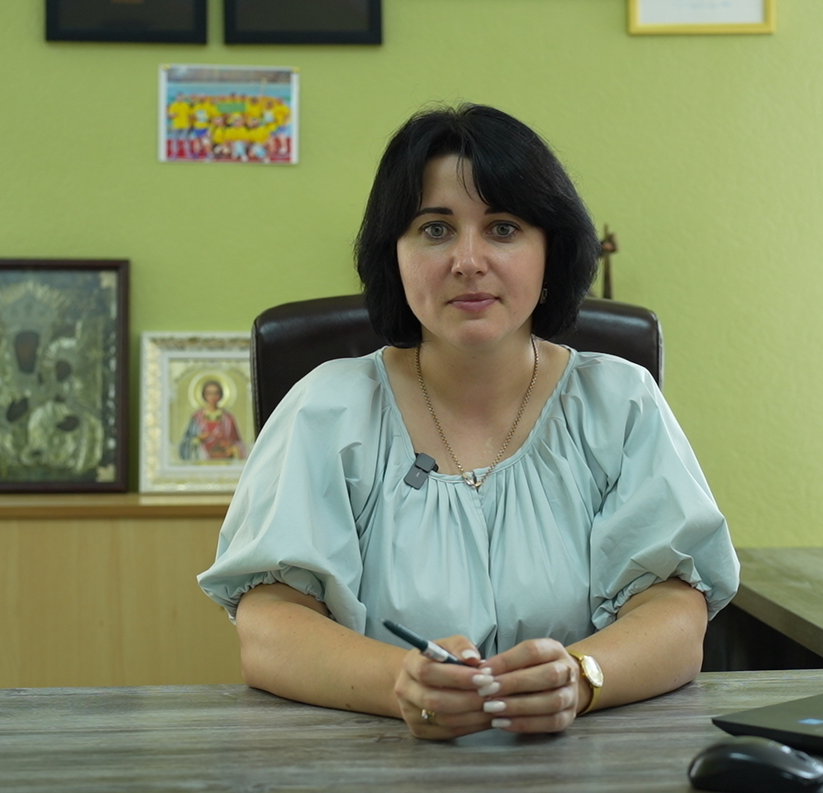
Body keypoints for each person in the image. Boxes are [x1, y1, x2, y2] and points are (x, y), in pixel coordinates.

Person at [198, 103, 739, 739]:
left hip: (584, 757)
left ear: (550, 250)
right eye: (435, 229)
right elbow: (270, 627)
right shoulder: (326, 410)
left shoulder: (620, 403)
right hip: (374, 758)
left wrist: (580, 678)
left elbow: (675, 611)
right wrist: (402, 684)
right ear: (394, 254)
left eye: (504, 228)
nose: (469, 260)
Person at [178, 379, 246, 461]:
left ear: (221, 395)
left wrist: (232, 448)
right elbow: (185, 443)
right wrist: (198, 439)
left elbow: (237, 442)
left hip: (224, 461)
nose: (213, 396)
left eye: (216, 393)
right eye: (209, 393)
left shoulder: (228, 419)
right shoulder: (196, 418)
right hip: (201, 460)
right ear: (204, 395)